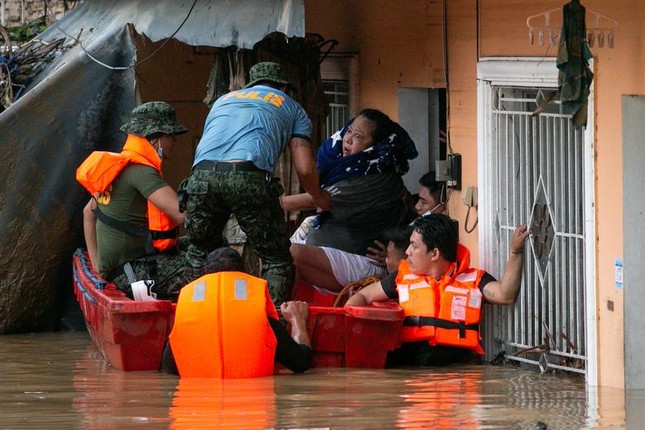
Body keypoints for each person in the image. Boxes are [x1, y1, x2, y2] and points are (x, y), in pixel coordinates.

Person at [182, 61, 330, 305]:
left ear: (251, 84)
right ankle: (271, 328)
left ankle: (193, 315)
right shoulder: (293, 107)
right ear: (283, 86)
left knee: (199, 252)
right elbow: (304, 169)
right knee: (276, 259)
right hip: (247, 175)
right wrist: (319, 197)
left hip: (201, 177)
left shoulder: (224, 100)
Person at [345, 214, 529, 366]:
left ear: (434, 254)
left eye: (414, 246)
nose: (407, 251)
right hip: (407, 373)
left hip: (454, 377)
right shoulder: (401, 277)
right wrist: (346, 325)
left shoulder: (474, 280)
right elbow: (363, 295)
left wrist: (516, 252)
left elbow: (506, 295)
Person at [284, 108, 418, 292]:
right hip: (332, 261)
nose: (347, 139)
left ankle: (280, 315)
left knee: (289, 254)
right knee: (274, 256)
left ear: (376, 146)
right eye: (349, 131)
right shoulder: (352, 166)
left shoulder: (373, 176)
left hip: (363, 264)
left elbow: (317, 200)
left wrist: (273, 203)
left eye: (358, 137)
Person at [78, 101, 193, 300]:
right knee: (206, 264)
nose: (174, 141)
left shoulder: (117, 166)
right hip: (130, 273)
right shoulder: (141, 172)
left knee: (203, 243)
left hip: (118, 269)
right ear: (155, 138)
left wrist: (98, 267)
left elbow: (88, 213)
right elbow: (181, 215)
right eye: (170, 135)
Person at [162, 247, 312, 376]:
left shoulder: (187, 315)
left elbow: (170, 368)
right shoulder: (260, 319)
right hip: (251, 405)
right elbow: (301, 362)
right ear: (245, 275)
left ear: (204, 278)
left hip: (197, 405)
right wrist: (297, 320)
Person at [366, 170, 448, 267]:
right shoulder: (412, 219)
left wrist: (395, 262)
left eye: (424, 202)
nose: (417, 206)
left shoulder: (439, 237)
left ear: (443, 206)